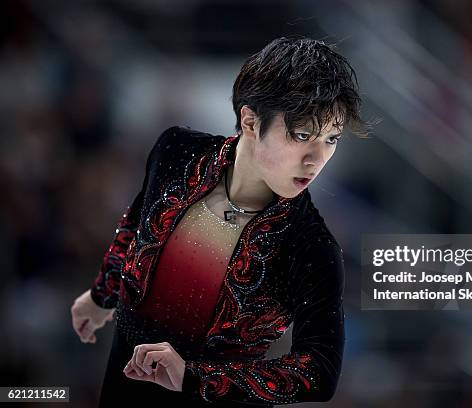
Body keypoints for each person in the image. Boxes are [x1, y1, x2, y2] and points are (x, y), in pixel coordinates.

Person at [70, 36, 367, 407]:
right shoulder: (176, 151)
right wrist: (101, 296)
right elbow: (133, 227)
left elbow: (319, 371)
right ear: (250, 121)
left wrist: (195, 376)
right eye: (302, 135)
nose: (316, 159)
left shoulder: (312, 248)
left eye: (331, 139)